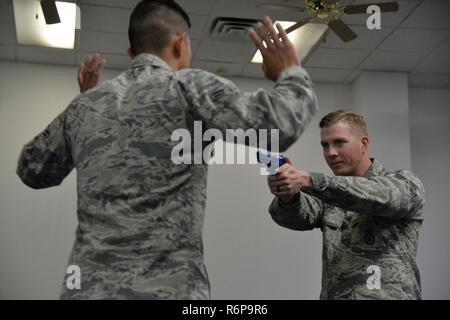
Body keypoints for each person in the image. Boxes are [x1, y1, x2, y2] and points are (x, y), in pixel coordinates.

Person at [16, 0, 318, 299]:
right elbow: (280, 126)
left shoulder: (87, 105)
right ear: (180, 43)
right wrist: (290, 71)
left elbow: (33, 171)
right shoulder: (188, 88)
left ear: (132, 53)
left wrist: (86, 118)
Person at [267, 110, 425, 299]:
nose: (331, 153)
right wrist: (288, 195)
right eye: (325, 145)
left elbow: (375, 195)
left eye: (339, 143)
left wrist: (309, 180)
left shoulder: (405, 183)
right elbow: (297, 218)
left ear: (364, 144)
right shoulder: (330, 197)